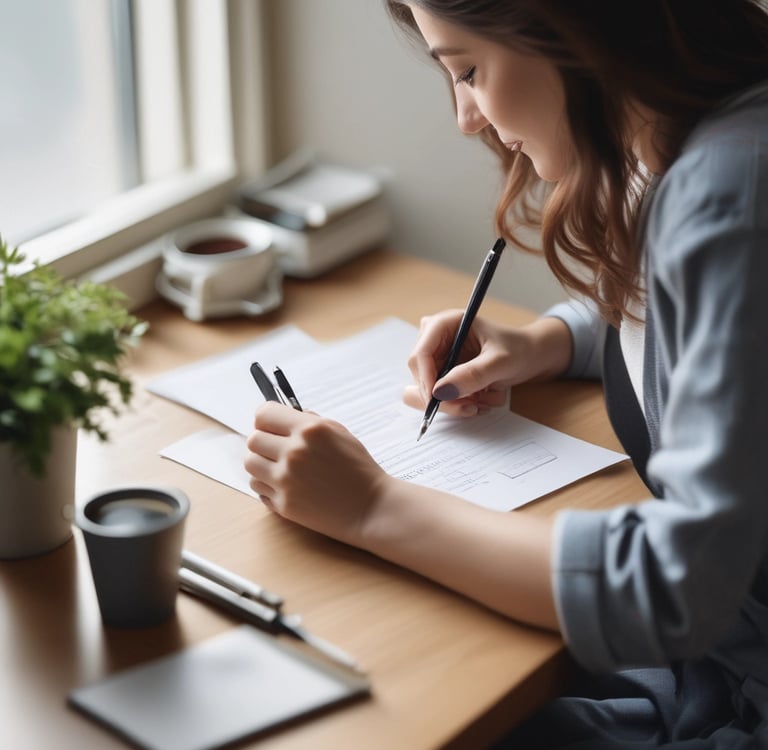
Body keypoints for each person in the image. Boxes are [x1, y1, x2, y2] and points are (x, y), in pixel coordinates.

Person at [244, 1, 768, 746]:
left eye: (467, 70)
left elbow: (676, 586)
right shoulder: (691, 140)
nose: (466, 117)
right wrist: (544, 342)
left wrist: (371, 507)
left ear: (575, 28)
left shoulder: (730, 198)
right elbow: (696, 320)